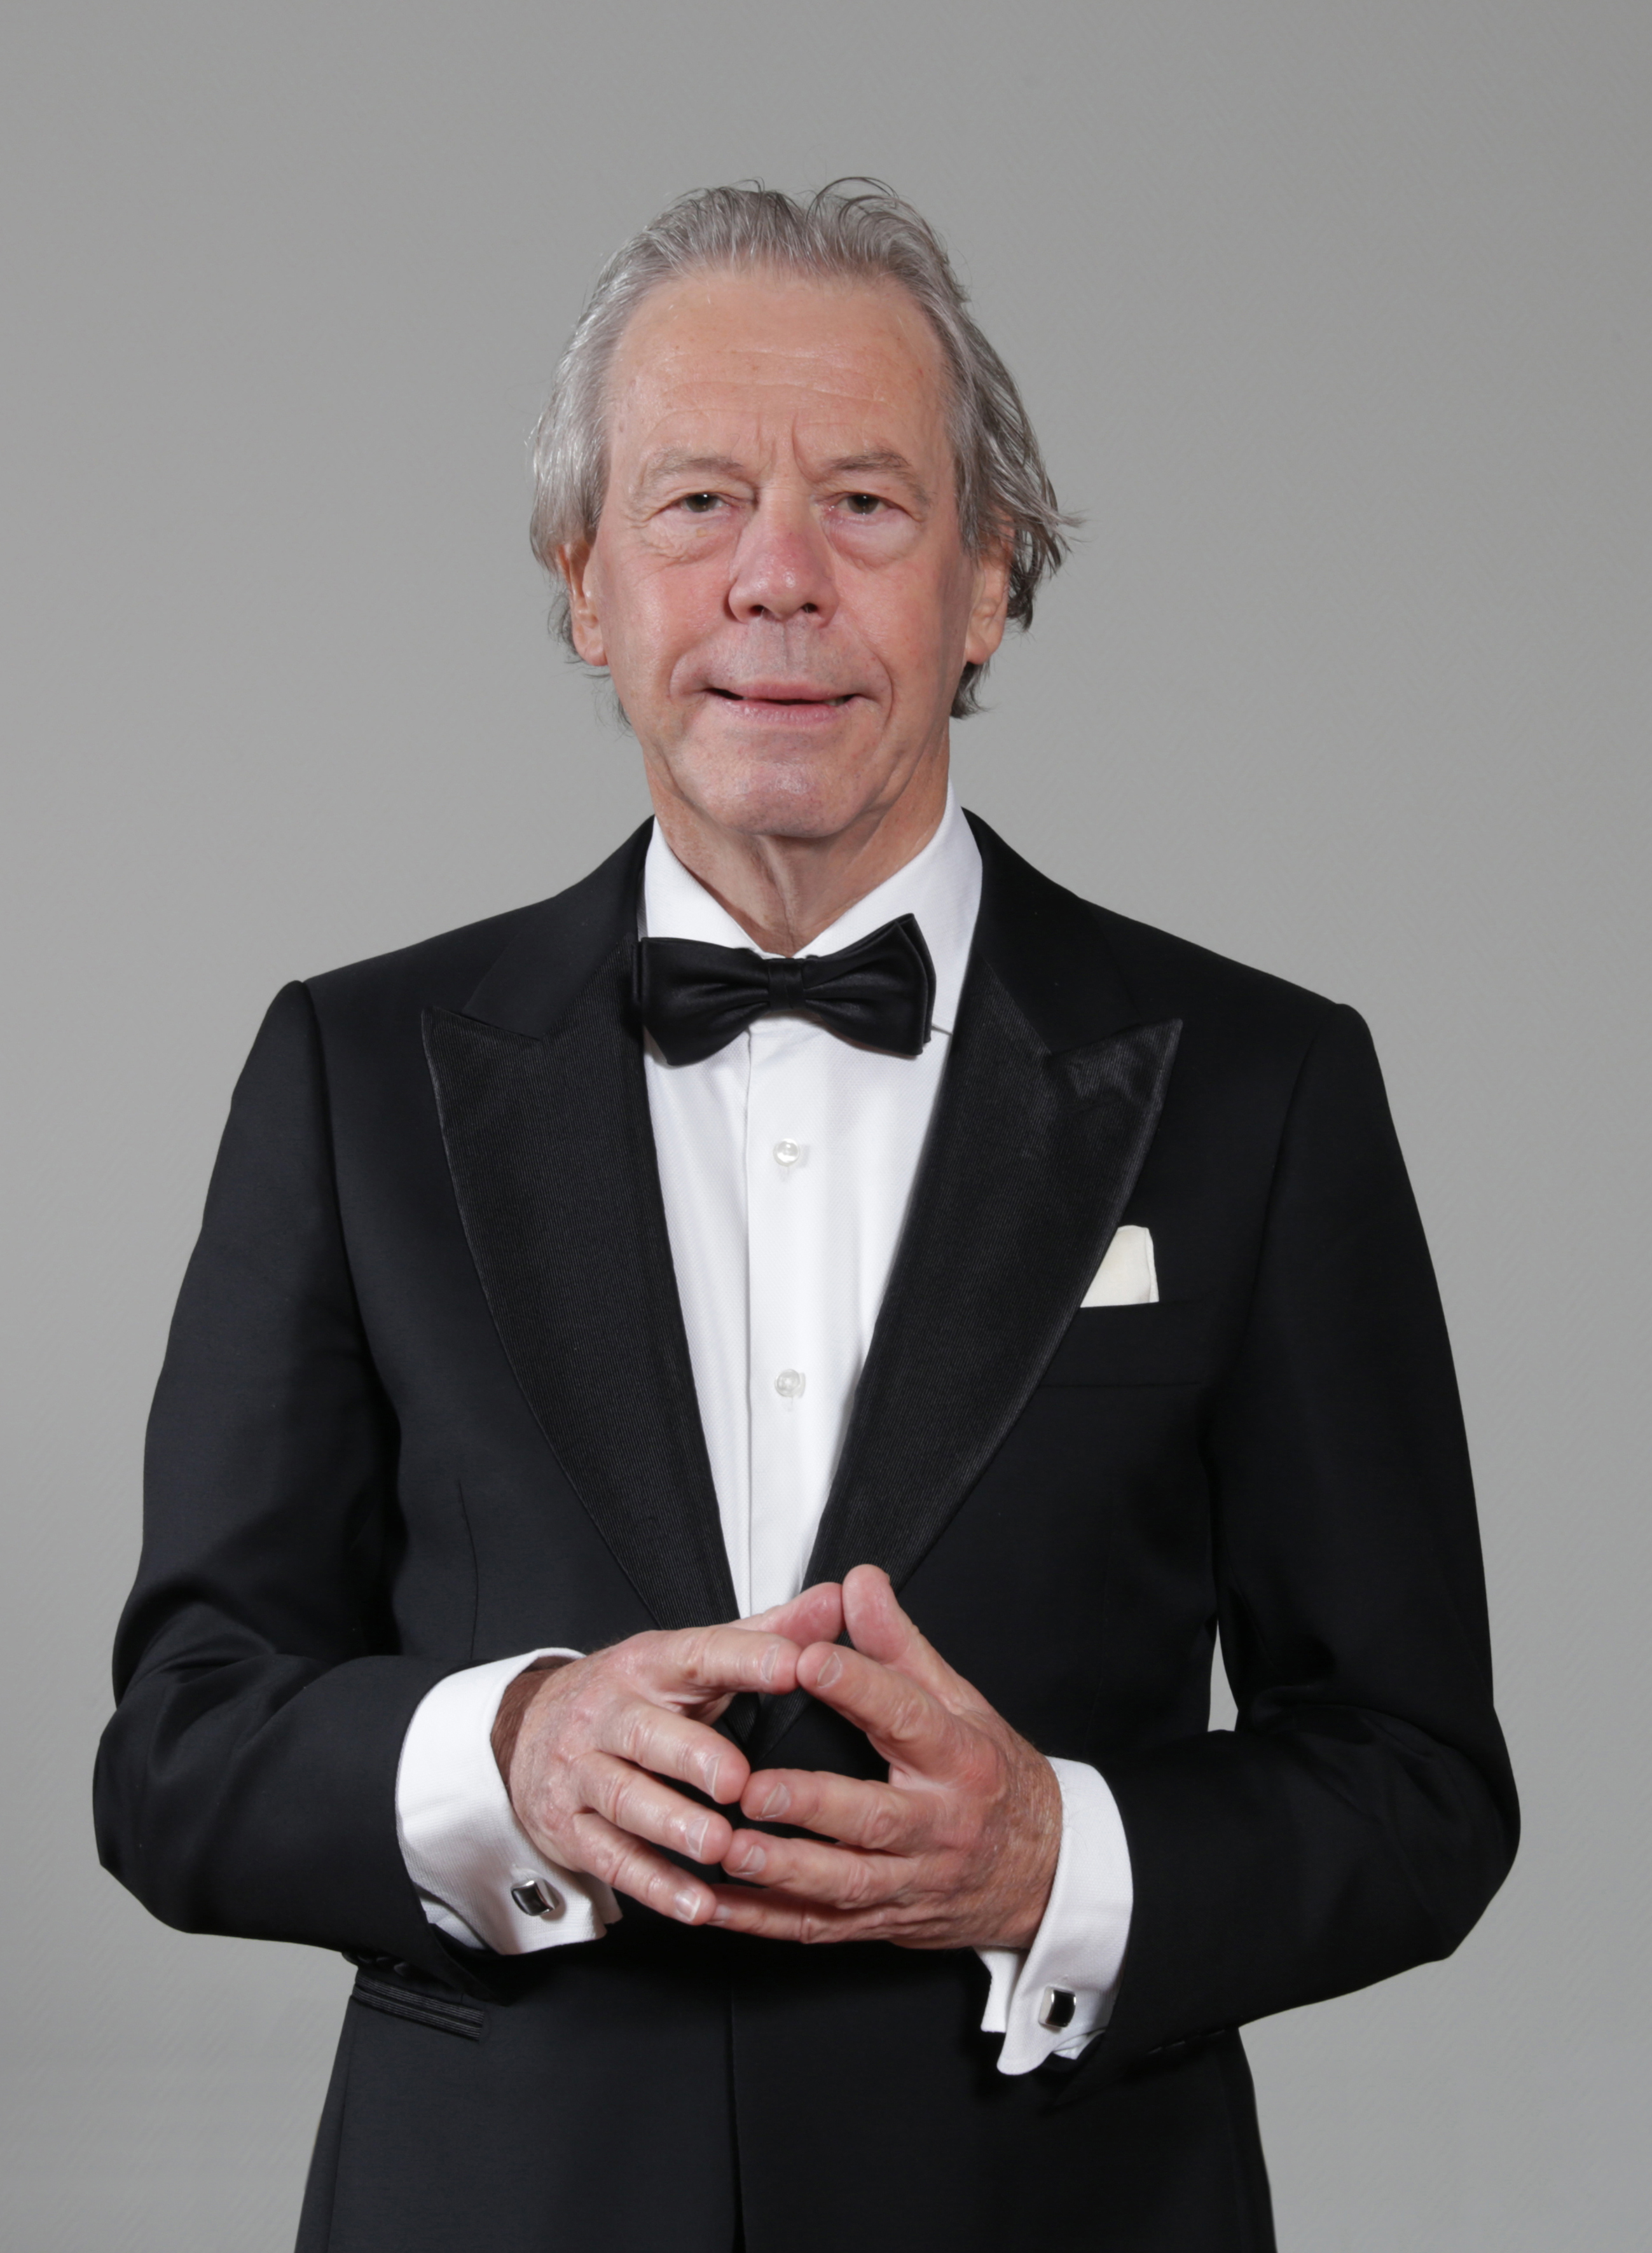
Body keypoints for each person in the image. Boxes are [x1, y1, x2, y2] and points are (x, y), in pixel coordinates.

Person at [95, 183, 1517, 2253]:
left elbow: (1420, 1783)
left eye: (864, 502)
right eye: (695, 504)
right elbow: (180, 1750)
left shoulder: (1262, 1089)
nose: (777, 578)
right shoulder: (352, 1074)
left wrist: (1057, 1859)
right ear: (586, 585)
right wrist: (507, 1755)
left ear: (987, 580)